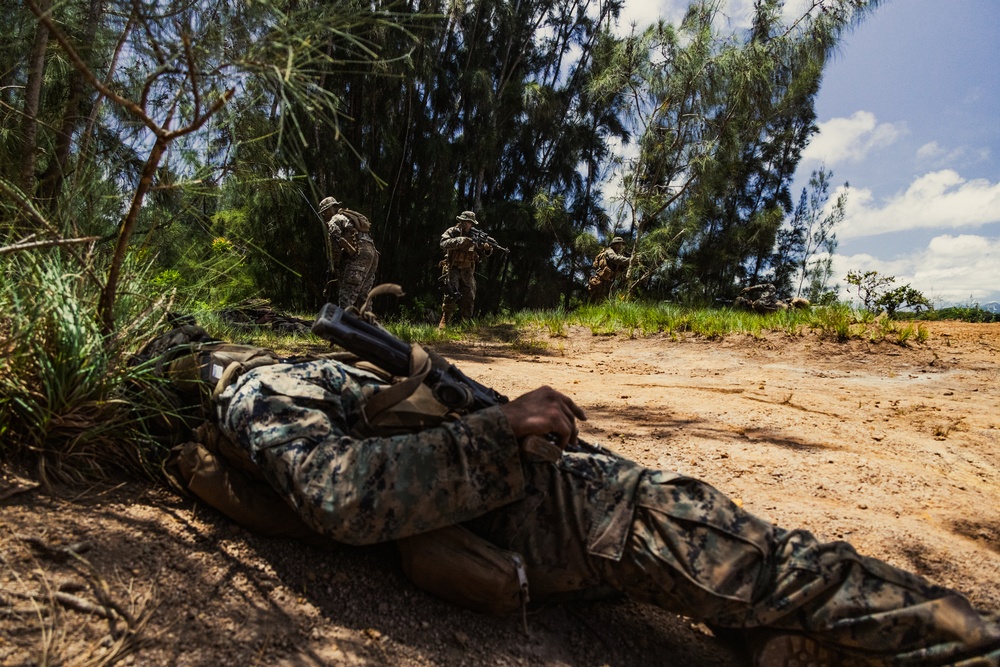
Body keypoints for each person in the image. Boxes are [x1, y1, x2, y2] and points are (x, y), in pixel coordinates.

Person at [214, 351, 1000, 666]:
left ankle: (782, 640)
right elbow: (341, 493)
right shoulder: (262, 387)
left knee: (746, 594)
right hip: (596, 515)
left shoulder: (269, 402)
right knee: (800, 571)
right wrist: (499, 425)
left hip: (570, 533)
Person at [319, 196, 379, 310]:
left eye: (324, 212)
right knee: (364, 295)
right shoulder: (348, 217)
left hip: (359, 254)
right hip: (372, 253)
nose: (323, 215)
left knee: (347, 295)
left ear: (330, 209)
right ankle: (366, 325)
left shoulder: (335, 219)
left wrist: (335, 266)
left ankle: (344, 325)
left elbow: (335, 246)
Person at [438, 210, 493, 328]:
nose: (469, 224)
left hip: (468, 270)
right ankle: (445, 321)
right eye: (467, 222)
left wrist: (486, 248)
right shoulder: (452, 232)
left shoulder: (475, 235)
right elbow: (443, 243)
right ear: (462, 221)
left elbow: (482, 251)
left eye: (471, 222)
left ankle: (465, 323)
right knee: (451, 295)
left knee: (469, 296)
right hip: (453, 268)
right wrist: (460, 241)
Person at [588, 236, 630, 302]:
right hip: (601, 281)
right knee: (597, 302)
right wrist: (630, 260)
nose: (620, 247)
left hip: (608, 282)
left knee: (606, 301)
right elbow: (615, 259)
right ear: (613, 245)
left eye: (621, 245)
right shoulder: (609, 251)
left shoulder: (618, 254)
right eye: (618, 245)